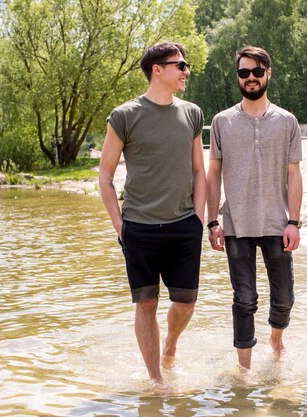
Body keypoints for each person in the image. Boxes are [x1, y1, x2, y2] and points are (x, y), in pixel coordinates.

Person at [99, 42, 206, 382]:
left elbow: (199, 171)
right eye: (181, 65)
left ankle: (171, 343)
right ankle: (156, 380)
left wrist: (199, 218)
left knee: (185, 304)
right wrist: (120, 225)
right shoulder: (124, 115)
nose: (186, 71)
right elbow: (105, 174)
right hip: (139, 227)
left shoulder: (192, 113)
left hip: (184, 225)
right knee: (146, 305)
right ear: (157, 70)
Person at [206, 46, 303, 370]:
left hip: (278, 224)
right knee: (245, 299)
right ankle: (244, 371)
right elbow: (213, 173)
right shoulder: (221, 121)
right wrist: (212, 221)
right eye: (244, 72)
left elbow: (294, 174)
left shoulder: (287, 121)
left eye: (257, 72)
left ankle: (277, 339)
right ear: (238, 77)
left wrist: (294, 222)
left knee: (285, 298)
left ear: (268, 74)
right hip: (236, 225)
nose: (250, 78)